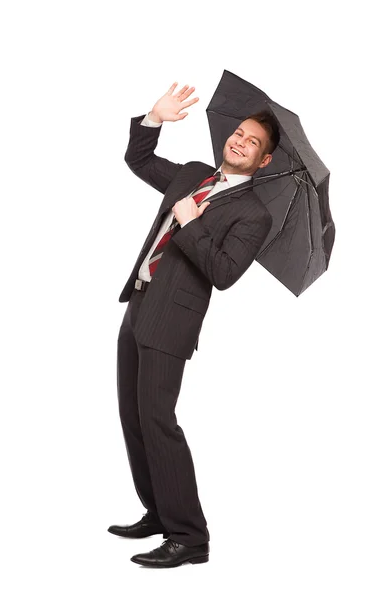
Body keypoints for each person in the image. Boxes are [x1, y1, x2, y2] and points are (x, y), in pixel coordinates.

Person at [108, 82, 280, 568]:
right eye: (240, 134)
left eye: (254, 143)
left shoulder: (254, 214)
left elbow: (223, 273)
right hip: (139, 303)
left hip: (172, 323)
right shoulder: (192, 174)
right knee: (133, 418)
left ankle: (190, 536)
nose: (242, 142)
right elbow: (139, 161)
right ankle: (158, 512)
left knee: (159, 422)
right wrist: (153, 119)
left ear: (263, 162)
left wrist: (190, 222)